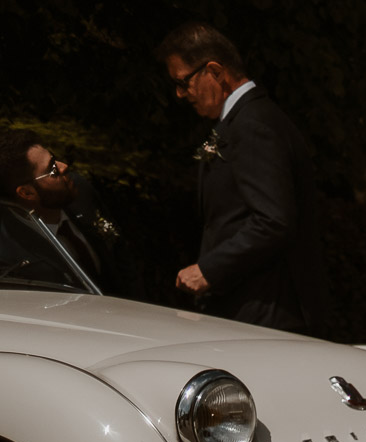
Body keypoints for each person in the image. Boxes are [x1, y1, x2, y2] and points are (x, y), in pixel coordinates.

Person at [157, 22, 330, 334]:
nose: (181, 94)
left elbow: (273, 221)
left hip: (267, 310)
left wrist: (209, 269)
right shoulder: (247, 120)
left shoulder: (253, 125)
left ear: (215, 71)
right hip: (254, 304)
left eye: (184, 82)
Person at [0, 130, 136, 296]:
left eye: (54, 159)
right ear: (26, 193)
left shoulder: (80, 191)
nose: (64, 166)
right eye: (53, 170)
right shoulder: (9, 249)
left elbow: (120, 253)